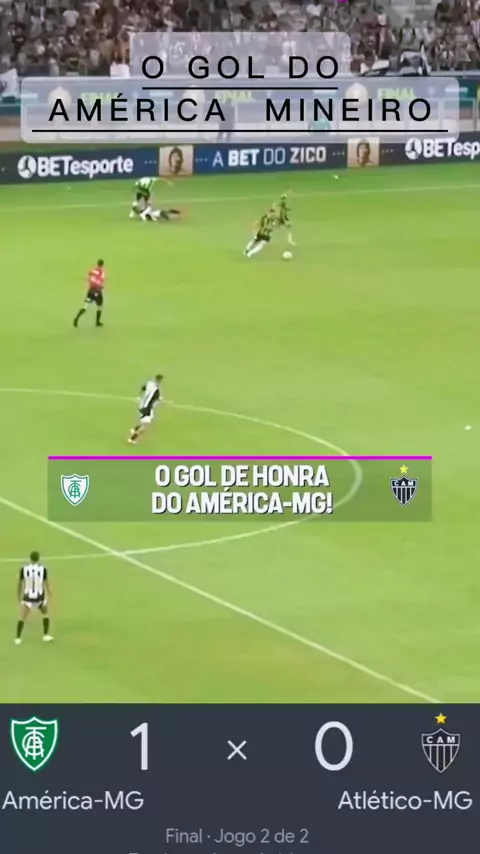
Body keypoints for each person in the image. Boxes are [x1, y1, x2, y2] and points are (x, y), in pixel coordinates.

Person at [15, 551, 53, 645]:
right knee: (45, 614)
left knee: (22, 617)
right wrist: (50, 594)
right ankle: (46, 635)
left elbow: (20, 583)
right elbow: (46, 583)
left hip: (27, 596)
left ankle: (18, 638)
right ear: (38, 558)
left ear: (30, 558)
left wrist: (19, 596)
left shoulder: (24, 569)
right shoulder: (43, 569)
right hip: (40, 597)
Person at [128, 375, 163, 444]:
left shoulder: (149, 383)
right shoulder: (156, 390)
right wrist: (161, 400)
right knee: (145, 426)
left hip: (143, 405)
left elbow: (143, 388)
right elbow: (157, 399)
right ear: (159, 381)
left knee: (147, 420)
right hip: (147, 408)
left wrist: (138, 396)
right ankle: (132, 438)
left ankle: (134, 429)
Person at [73, 259, 105, 328]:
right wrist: (101, 286)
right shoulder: (102, 271)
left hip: (90, 291)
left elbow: (89, 275)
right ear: (102, 264)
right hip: (97, 292)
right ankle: (97, 322)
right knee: (99, 307)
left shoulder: (93, 270)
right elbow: (100, 280)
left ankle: (77, 317)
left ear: (97, 263)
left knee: (86, 306)